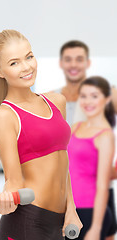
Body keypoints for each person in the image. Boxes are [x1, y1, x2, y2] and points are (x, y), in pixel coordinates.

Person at [0, 29, 82, 240]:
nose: (27, 67)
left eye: (29, 57)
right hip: (26, 222)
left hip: (57, 223)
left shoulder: (57, 102)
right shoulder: (4, 115)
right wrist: (4, 204)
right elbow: (13, 180)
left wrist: (71, 209)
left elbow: (62, 162)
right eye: (14, 63)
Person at [57, 41, 117, 240]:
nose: (74, 64)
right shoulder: (54, 101)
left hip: (96, 199)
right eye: (68, 59)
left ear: (88, 62)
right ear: (61, 63)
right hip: (68, 203)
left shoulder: (107, 97)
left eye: (79, 59)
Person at [67, 76, 116, 240]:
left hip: (90, 210)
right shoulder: (75, 127)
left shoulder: (105, 136)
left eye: (94, 96)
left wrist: (96, 228)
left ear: (107, 99)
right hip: (69, 209)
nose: (88, 101)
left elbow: (103, 185)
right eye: (84, 96)